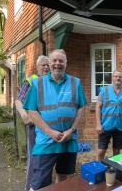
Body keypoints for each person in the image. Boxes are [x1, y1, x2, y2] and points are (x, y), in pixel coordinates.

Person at [24, 49, 87, 190]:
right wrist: (50, 132)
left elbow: (82, 107)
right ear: (49, 63)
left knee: (63, 178)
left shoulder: (75, 83)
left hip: (68, 140)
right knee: (39, 183)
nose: (57, 63)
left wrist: (72, 130)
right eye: (54, 60)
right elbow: (31, 111)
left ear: (66, 64)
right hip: (46, 142)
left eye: (61, 61)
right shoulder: (37, 84)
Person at [15, 55, 49, 191]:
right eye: (43, 65)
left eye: (48, 65)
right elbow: (18, 101)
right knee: (34, 158)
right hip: (35, 127)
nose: (46, 67)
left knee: (47, 159)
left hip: (49, 127)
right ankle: (29, 187)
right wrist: (24, 114)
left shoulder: (52, 82)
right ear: (37, 67)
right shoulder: (31, 81)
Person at [96, 70, 122, 161]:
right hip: (105, 126)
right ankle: (98, 171)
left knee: (116, 152)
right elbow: (98, 107)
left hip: (120, 126)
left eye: (120, 77)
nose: (118, 78)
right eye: (116, 76)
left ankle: (114, 171)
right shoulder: (104, 90)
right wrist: (98, 124)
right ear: (112, 78)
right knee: (101, 151)